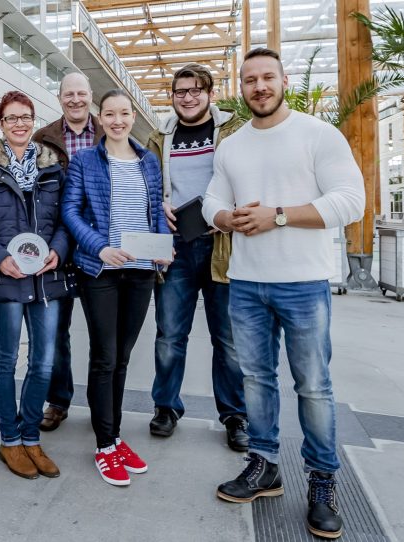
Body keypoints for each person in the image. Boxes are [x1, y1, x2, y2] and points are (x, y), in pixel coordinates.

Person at [203, 48, 365, 539]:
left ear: (283, 80)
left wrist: (277, 215)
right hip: (247, 283)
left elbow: (351, 202)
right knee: (256, 380)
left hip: (303, 283)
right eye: (250, 80)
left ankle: (322, 480)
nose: (259, 87)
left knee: (313, 386)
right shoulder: (231, 145)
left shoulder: (318, 135)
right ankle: (265, 464)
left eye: (267, 77)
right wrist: (225, 217)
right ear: (242, 87)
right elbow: (213, 198)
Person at [0, 91, 71, 480]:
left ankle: (30, 437)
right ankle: (10, 442)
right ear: (1, 124)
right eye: (11, 119)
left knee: (43, 360)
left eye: (25, 117)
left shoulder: (53, 169)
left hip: (45, 278)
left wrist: (58, 249)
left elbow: (63, 219)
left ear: (33, 120)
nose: (20, 124)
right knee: (6, 359)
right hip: (5, 278)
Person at [63, 89, 171, 487]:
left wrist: (164, 247)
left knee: (122, 357)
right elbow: (70, 212)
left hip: (141, 271)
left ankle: (116, 434)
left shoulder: (148, 160)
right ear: (100, 118)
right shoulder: (85, 160)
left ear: (132, 117)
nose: (118, 120)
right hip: (102, 271)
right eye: (110, 114)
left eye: (124, 113)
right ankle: (104, 444)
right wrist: (101, 247)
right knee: (105, 357)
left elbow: (156, 209)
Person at [145, 64, 248, 450]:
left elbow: (248, 179)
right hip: (176, 248)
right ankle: (166, 406)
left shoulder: (234, 132)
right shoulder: (159, 138)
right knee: (170, 334)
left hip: (223, 247)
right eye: (180, 91)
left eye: (195, 90)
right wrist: (161, 207)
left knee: (229, 339)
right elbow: (149, 187)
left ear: (210, 93)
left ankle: (235, 415)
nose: (187, 97)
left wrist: (229, 214)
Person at [33, 72, 102, 432]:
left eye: (81, 93)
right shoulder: (42, 138)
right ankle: (58, 400)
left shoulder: (110, 133)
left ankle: (100, 403)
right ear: (59, 98)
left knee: (100, 330)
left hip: (97, 248)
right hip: (54, 248)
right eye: (68, 94)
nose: (75, 99)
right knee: (55, 331)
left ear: (90, 96)